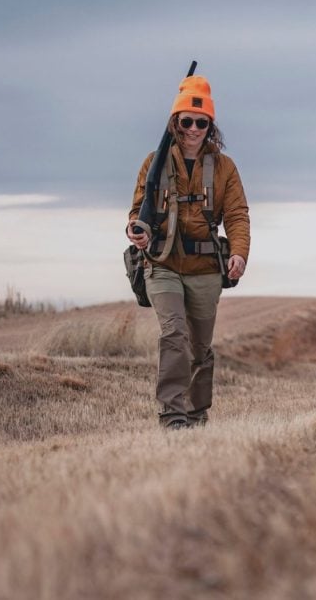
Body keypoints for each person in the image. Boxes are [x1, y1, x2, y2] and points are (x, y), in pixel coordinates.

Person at [126, 75, 250, 429]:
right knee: (173, 334)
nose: (194, 129)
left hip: (206, 268)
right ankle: (172, 415)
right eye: (187, 121)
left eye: (201, 122)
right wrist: (137, 230)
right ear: (174, 122)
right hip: (161, 264)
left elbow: (238, 215)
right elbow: (138, 211)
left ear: (210, 125)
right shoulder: (154, 163)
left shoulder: (225, 168)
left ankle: (196, 415)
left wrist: (238, 253)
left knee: (200, 348)